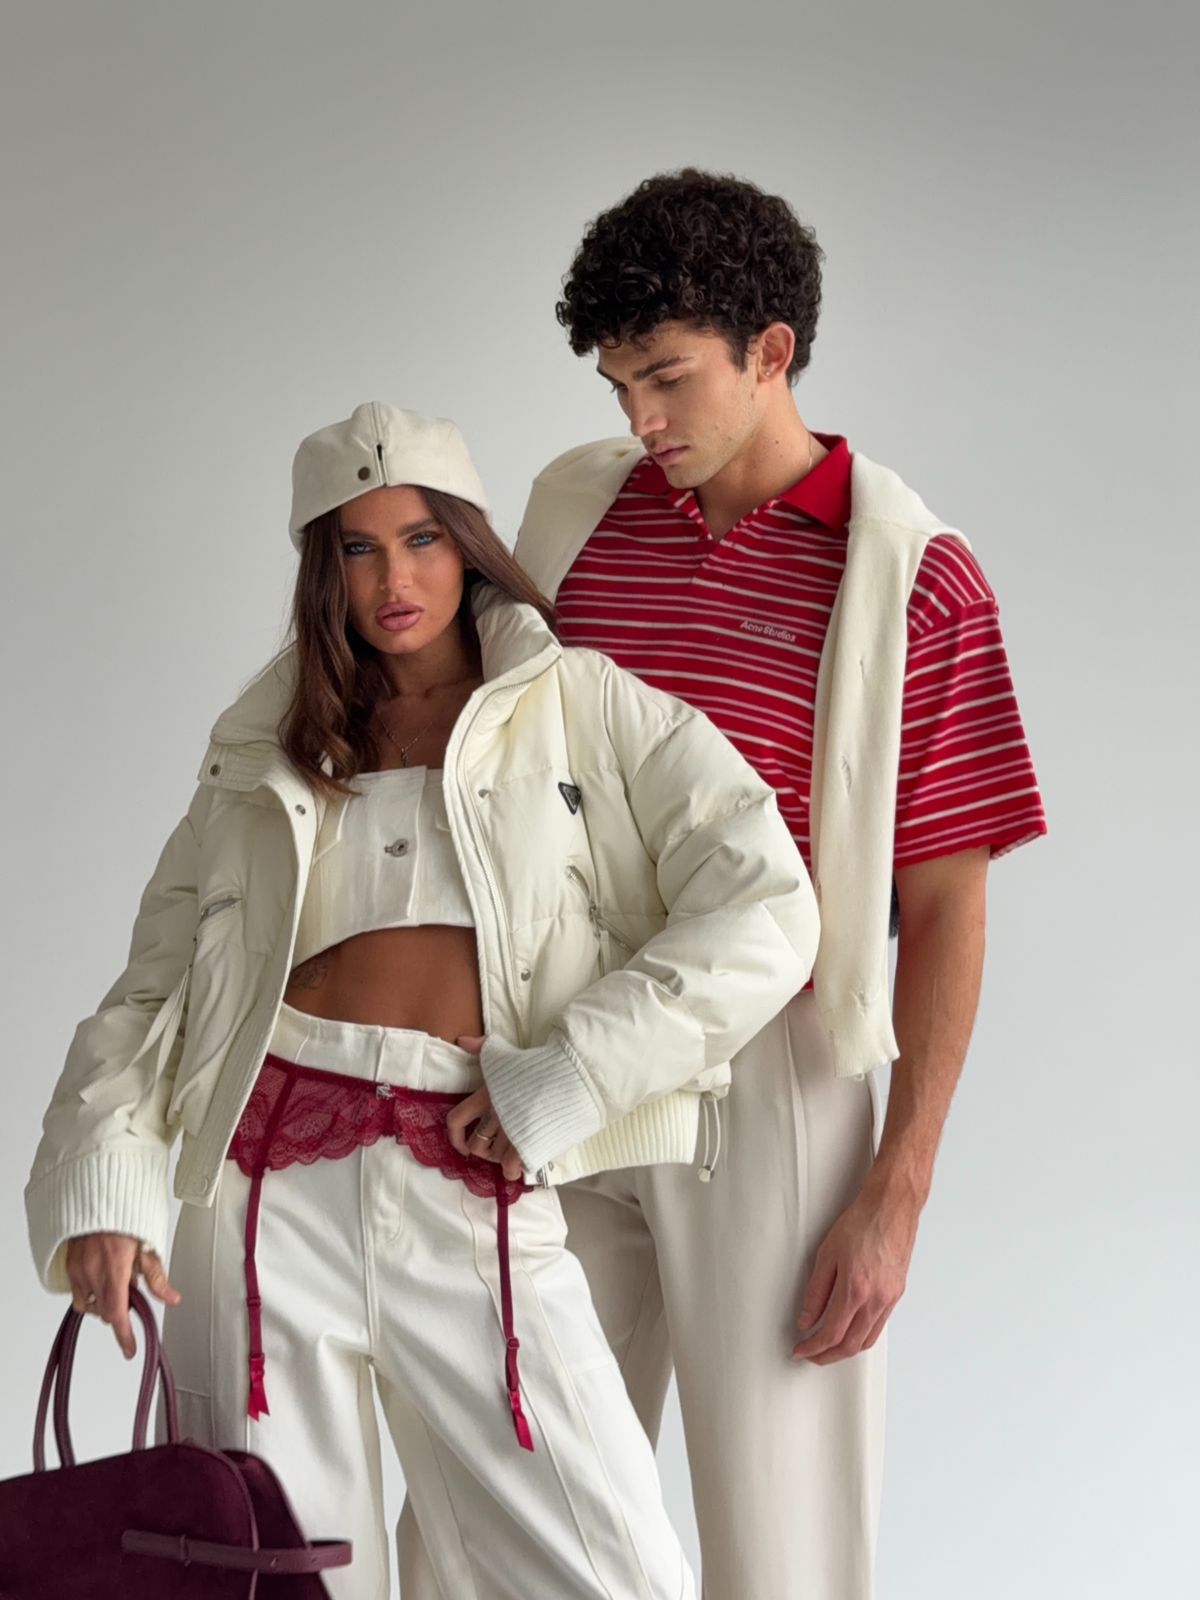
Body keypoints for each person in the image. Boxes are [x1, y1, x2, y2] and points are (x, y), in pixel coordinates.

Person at [24, 402, 822, 1600]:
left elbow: (768, 903)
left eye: (421, 539)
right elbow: (161, 981)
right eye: (357, 548)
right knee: (282, 1574)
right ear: (323, 570)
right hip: (260, 1187)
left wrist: (575, 1073)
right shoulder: (263, 745)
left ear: (468, 542)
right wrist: (106, 1181)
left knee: (615, 1570)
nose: (393, 579)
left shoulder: (585, 703)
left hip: (470, 1164)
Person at [401, 172, 1048, 1600]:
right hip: (559, 1048)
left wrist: (896, 1191)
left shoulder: (912, 577)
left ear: (772, 349)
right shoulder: (577, 515)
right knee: (494, 1499)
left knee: (781, 1531)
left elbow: (947, 903)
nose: (640, 420)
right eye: (617, 383)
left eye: (668, 377)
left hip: (772, 1073)